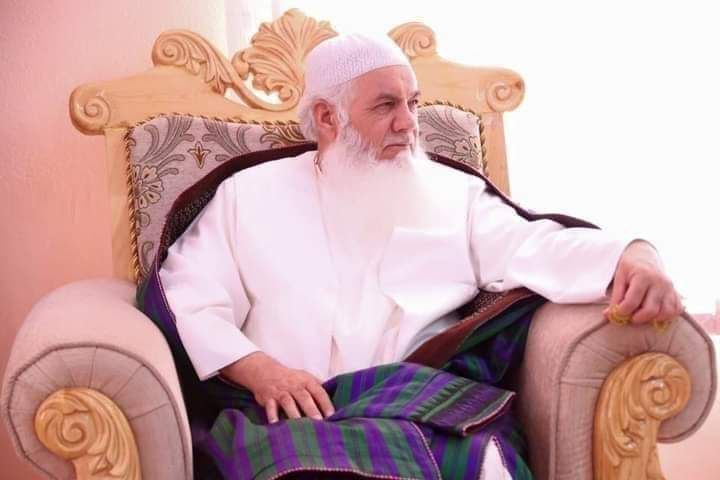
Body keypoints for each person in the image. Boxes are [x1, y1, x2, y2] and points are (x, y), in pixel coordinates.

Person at [147, 33, 682, 479]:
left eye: (413, 103)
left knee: (483, 464)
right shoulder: (248, 195)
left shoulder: (452, 193)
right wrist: (260, 370)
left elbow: (535, 244)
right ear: (328, 118)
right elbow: (189, 296)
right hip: (290, 413)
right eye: (386, 105)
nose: (408, 123)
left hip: (419, 405)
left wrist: (633, 257)